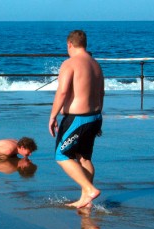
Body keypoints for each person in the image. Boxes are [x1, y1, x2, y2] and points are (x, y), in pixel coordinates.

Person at [49, 30, 104, 209]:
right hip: (95, 116)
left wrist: (53, 115)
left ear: (69, 44)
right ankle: (85, 199)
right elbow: (101, 93)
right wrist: (98, 119)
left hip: (77, 119)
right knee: (84, 158)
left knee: (61, 155)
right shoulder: (95, 64)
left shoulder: (69, 63)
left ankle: (88, 189)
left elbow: (62, 91)